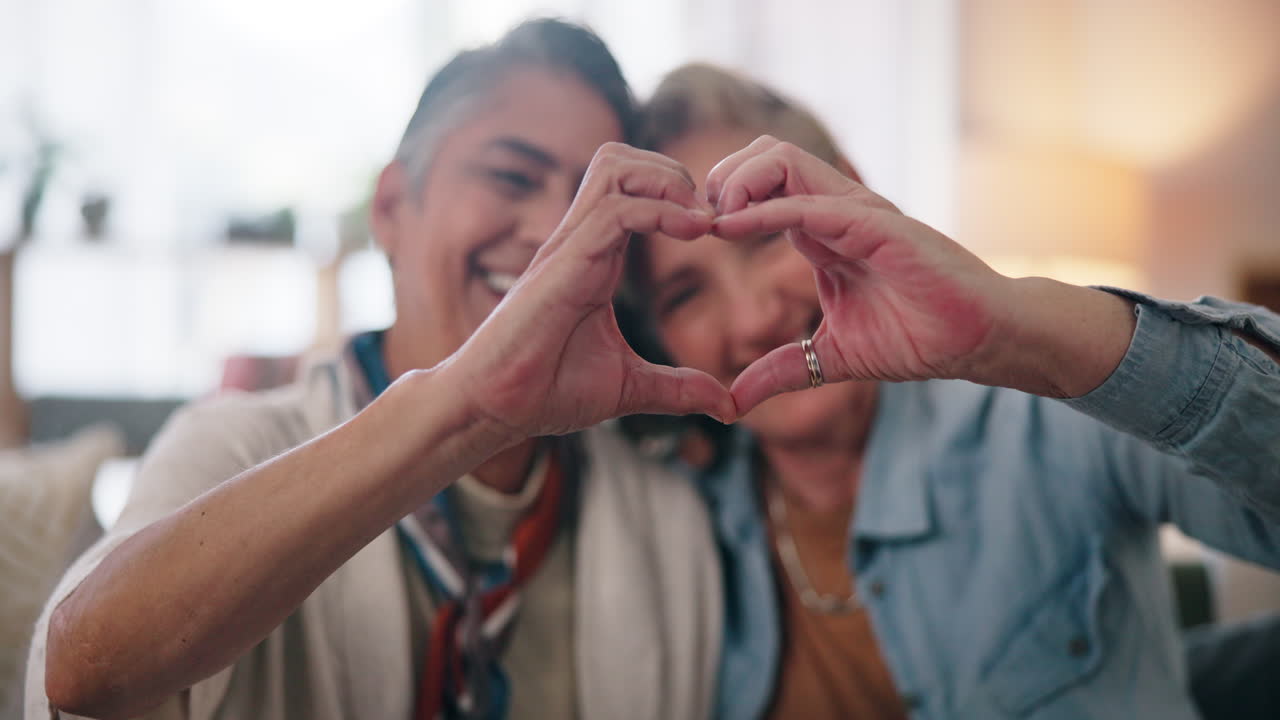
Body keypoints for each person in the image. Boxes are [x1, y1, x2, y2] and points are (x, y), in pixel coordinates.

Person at [27, 22, 734, 720]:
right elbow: (79, 673)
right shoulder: (235, 447)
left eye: (591, 202)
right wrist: (467, 409)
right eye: (513, 177)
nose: (556, 230)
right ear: (392, 208)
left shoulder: (665, 518)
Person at [627, 63, 1280, 719]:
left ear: (846, 192)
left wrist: (1025, 327)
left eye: (766, 235)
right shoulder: (677, 526)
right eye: (685, 294)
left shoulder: (1043, 414)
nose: (751, 319)